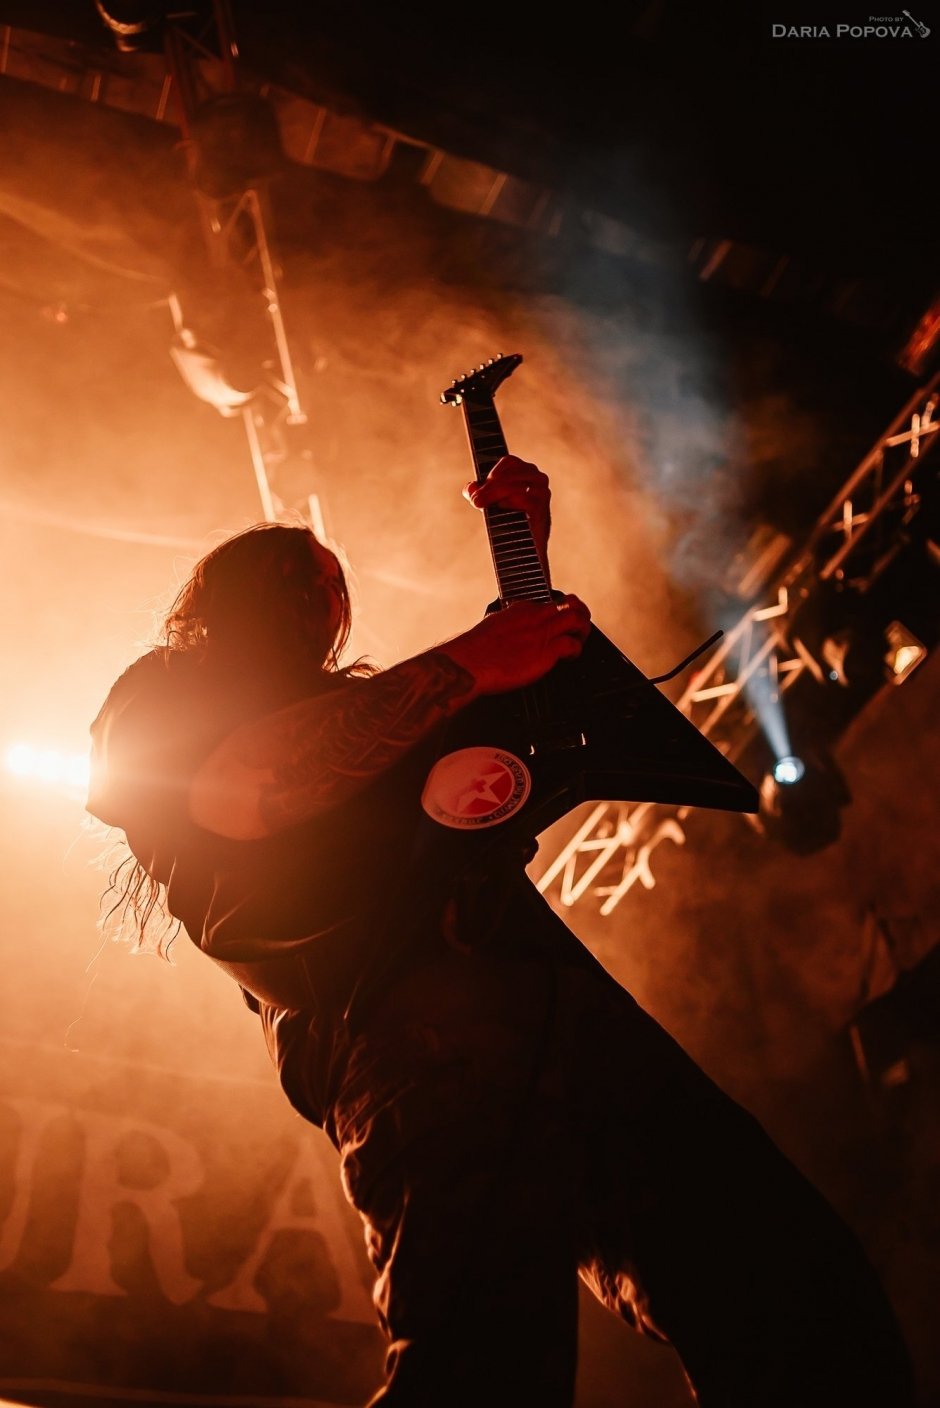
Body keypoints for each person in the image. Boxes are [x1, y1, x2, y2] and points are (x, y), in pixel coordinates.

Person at [86, 455, 915, 1407]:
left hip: (559, 1003)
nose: (323, 593)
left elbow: (525, 731)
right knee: (482, 1370)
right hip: (409, 1027)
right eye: (290, 572)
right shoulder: (166, 686)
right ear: (223, 595)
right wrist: (473, 659)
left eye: (334, 581)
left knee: (802, 1296)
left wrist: (528, 572)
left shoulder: (388, 711)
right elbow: (241, 789)